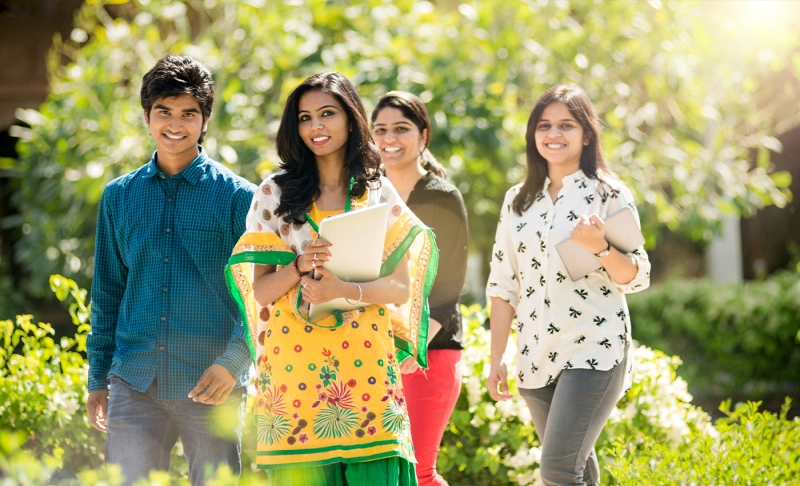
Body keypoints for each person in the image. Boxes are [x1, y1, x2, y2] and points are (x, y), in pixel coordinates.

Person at [225, 72, 438, 485]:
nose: (316, 127)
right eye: (305, 118)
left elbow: (399, 286)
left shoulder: (376, 191)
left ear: (351, 117)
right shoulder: (274, 194)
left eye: (327, 114)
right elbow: (262, 292)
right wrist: (300, 265)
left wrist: (344, 290)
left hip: (366, 368)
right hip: (294, 374)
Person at [85, 55, 255, 485]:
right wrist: (97, 378)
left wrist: (233, 362)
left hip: (211, 383)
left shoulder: (240, 198)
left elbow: (258, 293)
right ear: (147, 117)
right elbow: (107, 292)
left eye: (188, 114)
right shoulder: (118, 197)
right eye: (164, 112)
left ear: (204, 120)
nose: (175, 124)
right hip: (134, 382)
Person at [485, 84, 650, 486]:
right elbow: (504, 282)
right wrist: (496, 359)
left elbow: (638, 275)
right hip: (536, 355)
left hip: (593, 348)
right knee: (577, 470)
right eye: (544, 125)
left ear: (587, 134)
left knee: (557, 471)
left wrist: (600, 249)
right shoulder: (517, 201)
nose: (553, 134)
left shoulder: (607, 192)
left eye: (566, 125)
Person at [371, 91, 468, 486]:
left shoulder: (441, 197)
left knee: (419, 474)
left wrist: (415, 343)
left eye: (401, 129)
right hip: (373, 349)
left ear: (423, 136)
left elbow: (448, 289)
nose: (389, 138)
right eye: (379, 130)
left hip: (430, 351)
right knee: (386, 474)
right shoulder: (367, 196)